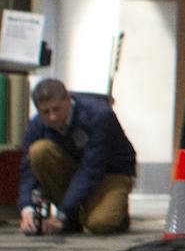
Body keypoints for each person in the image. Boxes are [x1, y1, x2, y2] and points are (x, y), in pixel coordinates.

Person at [18, 77, 137, 235]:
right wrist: (27, 210)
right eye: (45, 112)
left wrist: (62, 214)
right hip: (75, 169)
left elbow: (92, 169)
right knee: (39, 151)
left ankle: (112, 214)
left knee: (100, 224)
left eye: (56, 109)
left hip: (110, 172)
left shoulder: (99, 115)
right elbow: (28, 172)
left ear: (68, 99)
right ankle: (71, 218)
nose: (52, 117)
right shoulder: (37, 124)